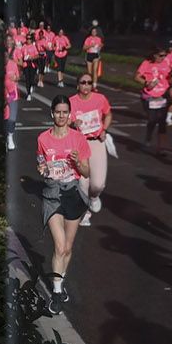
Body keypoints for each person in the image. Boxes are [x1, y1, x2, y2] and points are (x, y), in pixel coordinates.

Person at [37, 95, 91, 315]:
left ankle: (61, 279)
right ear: (52, 113)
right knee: (59, 246)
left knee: (67, 248)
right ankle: (57, 292)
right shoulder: (43, 138)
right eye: (57, 112)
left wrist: (78, 162)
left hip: (72, 194)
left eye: (64, 112)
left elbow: (86, 171)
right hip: (51, 195)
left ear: (70, 115)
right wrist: (42, 170)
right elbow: (41, 163)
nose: (61, 116)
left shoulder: (78, 139)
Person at [67, 71, 111, 216]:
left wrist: (104, 129)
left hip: (96, 141)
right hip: (79, 144)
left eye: (89, 82)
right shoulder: (71, 102)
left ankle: (94, 197)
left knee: (98, 184)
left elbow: (108, 114)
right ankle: (84, 212)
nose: (86, 85)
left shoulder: (100, 99)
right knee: (83, 182)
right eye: (83, 82)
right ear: (77, 85)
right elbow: (65, 122)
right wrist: (73, 123)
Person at [135, 46, 172, 156]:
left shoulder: (166, 63)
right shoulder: (147, 63)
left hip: (162, 94)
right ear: (154, 55)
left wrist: (171, 77)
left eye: (165, 55)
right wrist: (146, 83)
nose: (163, 58)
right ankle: (148, 139)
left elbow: (169, 79)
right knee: (152, 119)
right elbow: (137, 77)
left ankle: (161, 148)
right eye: (161, 55)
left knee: (162, 122)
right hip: (150, 95)